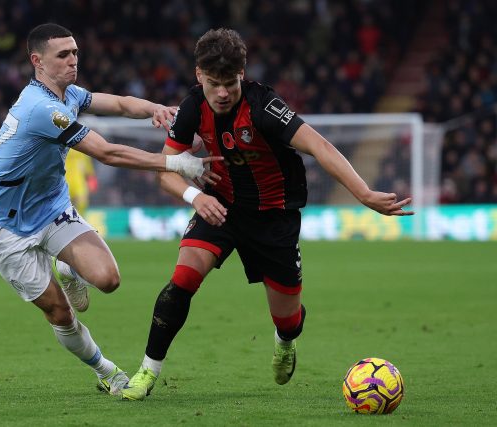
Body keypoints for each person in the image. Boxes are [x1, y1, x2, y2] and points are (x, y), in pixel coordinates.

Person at [121, 28, 414, 401]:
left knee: (288, 320)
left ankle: (285, 342)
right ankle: (147, 371)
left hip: (274, 219)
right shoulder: (192, 107)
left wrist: (364, 193)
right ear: (199, 76)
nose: (223, 92)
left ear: (242, 73)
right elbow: (166, 171)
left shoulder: (265, 108)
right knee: (182, 279)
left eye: (230, 82)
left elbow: (319, 146)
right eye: (214, 83)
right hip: (219, 208)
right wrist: (195, 196)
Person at [0, 23, 220, 397]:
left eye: (75, 52)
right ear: (37, 62)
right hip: (7, 226)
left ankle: (68, 266)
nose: (73, 61)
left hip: (51, 207)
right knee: (60, 313)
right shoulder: (41, 108)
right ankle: (107, 371)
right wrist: (173, 164)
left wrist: (157, 109)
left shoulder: (69, 94)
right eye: (63, 55)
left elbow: (120, 104)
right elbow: (106, 152)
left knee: (108, 279)